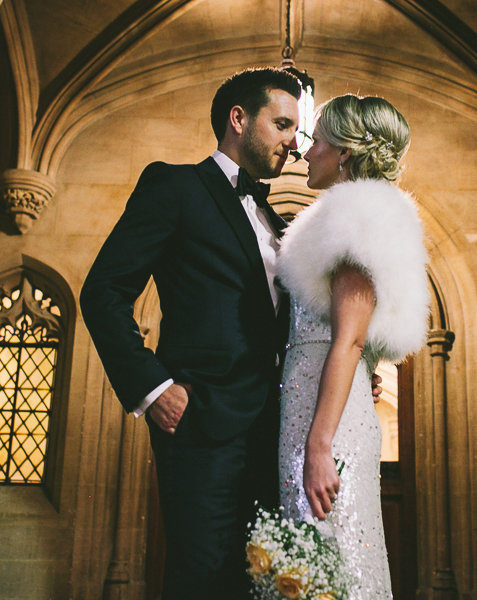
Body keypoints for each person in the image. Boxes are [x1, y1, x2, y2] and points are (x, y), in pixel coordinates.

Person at [80, 67, 302, 600]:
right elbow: (103, 292)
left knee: (258, 583)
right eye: (283, 125)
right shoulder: (176, 186)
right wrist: (154, 389)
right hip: (202, 423)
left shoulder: (272, 216)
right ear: (238, 118)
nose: (293, 144)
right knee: (201, 579)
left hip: (270, 431)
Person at [276, 94, 430, 599]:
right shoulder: (344, 217)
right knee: (313, 556)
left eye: (315, 141)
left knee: (337, 552)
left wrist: (319, 447)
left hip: (327, 426)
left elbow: (351, 336)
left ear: (343, 152)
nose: (305, 153)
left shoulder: (358, 218)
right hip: (313, 409)